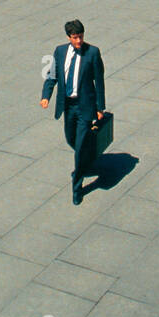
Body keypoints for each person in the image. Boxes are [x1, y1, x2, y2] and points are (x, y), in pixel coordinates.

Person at [40, 19, 106, 206]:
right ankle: (86, 153)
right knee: (71, 139)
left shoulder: (93, 53)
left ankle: (77, 189)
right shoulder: (60, 52)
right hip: (68, 106)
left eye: (81, 37)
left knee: (78, 151)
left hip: (85, 106)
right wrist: (46, 95)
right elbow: (52, 76)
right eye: (75, 38)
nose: (79, 41)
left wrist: (100, 107)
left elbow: (99, 82)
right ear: (68, 37)